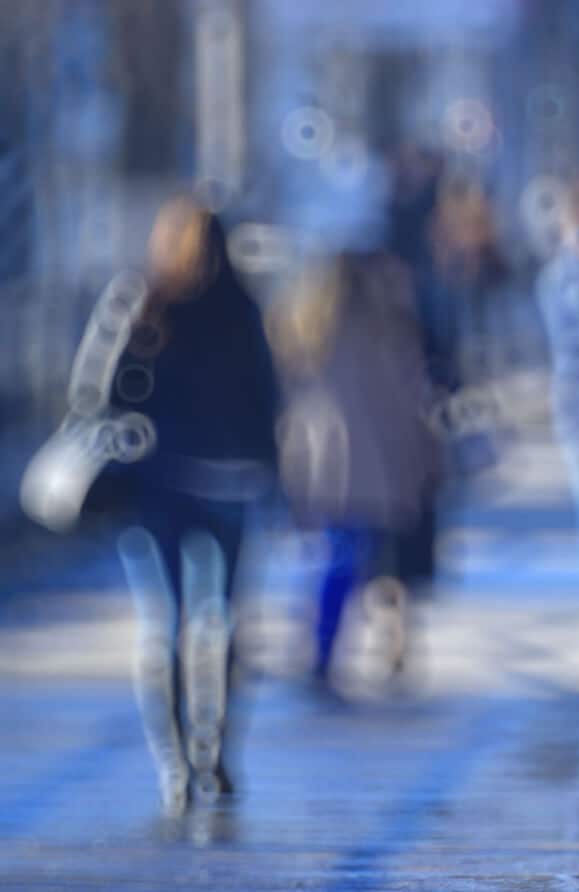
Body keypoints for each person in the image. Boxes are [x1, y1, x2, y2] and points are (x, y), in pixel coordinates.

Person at [105, 196, 280, 816]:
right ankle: (217, 752)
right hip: (230, 486)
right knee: (223, 621)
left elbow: (104, 393)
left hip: (164, 487)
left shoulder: (149, 304)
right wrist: (273, 475)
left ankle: (177, 761)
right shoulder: (242, 309)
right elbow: (269, 399)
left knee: (170, 624)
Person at [268, 251, 440, 692]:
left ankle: (318, 648)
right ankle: (331, 652)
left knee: (331, 556)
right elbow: (406, 399)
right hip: (373, 465)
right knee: (362, 562)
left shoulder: (303, 326)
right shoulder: (382, 329)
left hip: (321, 462)